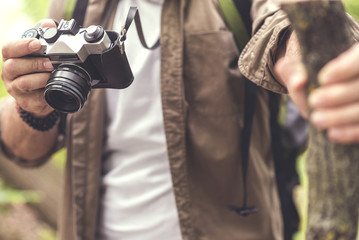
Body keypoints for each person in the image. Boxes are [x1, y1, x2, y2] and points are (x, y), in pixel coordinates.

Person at [0, 0, 358, 240]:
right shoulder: (78, 6)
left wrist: (317, 57)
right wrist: (32, 106)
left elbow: (283, 24)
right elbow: (25, 151)